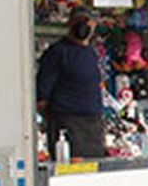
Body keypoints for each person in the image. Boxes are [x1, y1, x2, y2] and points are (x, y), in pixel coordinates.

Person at [37, 8, 106, 159]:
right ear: (70, 24)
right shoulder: (57, 52)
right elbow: (42, 93)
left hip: (93, 123)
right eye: (79, 21)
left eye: (88, 23)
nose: (84, 26)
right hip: (67, 121)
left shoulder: (90, 53)